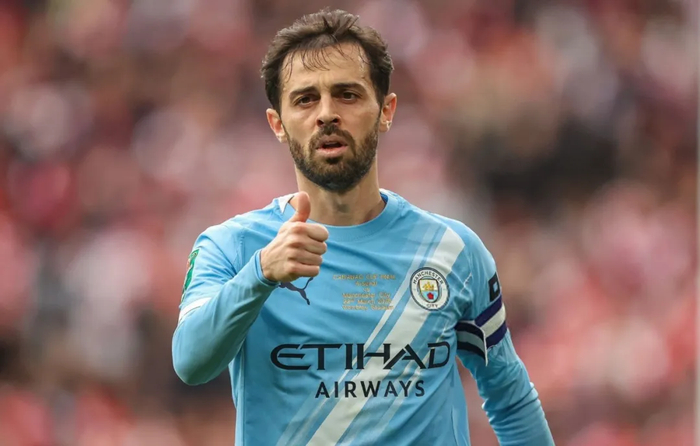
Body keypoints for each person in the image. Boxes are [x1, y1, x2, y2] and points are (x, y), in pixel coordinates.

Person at [172, 9, 554, 446]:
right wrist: (260, 274)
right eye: (305, 99)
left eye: (347, 95)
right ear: (277, 124)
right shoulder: (233, 247)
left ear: (386, 110)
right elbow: (191, 363)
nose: (326, 114)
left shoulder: (453, 250)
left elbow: (510, 399)